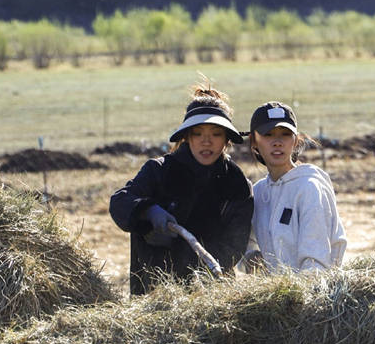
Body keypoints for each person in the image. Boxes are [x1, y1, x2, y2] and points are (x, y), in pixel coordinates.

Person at [110, 81, 253, 295]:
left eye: (215, 134)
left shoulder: (236, 183)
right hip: (153, 295)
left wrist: (194, 274)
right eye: (198, 133)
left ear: (226, 139)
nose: (206, 141)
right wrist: (147, 211)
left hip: (211, 296)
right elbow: (119, 202)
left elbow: (234, 247)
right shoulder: (158, 170)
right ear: (186, 136)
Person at [245, 101, 346, 272]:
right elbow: (248, 246)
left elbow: (316, 263)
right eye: (268, 134)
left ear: (296, 140)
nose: (277, 142)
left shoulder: (309, 187)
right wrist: (251, 257)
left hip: (313, 293)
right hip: (278, 295)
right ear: (253, 141)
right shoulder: (259, 192)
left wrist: (298, 297)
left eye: (285, 134)